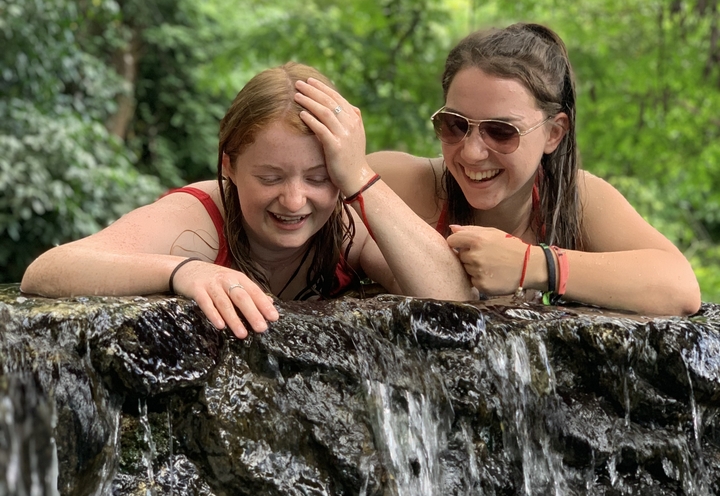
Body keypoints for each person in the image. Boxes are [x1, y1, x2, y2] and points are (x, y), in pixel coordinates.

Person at [21, 63, 473, 337]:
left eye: (319, 177)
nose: (294, 200)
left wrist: (358, 176)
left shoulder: (346, 227)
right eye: (270, 176)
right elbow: (45, 271)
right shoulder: (198, 219)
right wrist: (185, 270)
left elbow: (453, 298)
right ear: (230, 165)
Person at [367, 23, 701, 316]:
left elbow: (679, 287)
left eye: (501, 131)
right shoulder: (401, 185)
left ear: (553, 133)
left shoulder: (576, 201)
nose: (471, 151)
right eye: (455, 125)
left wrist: (531, 264)